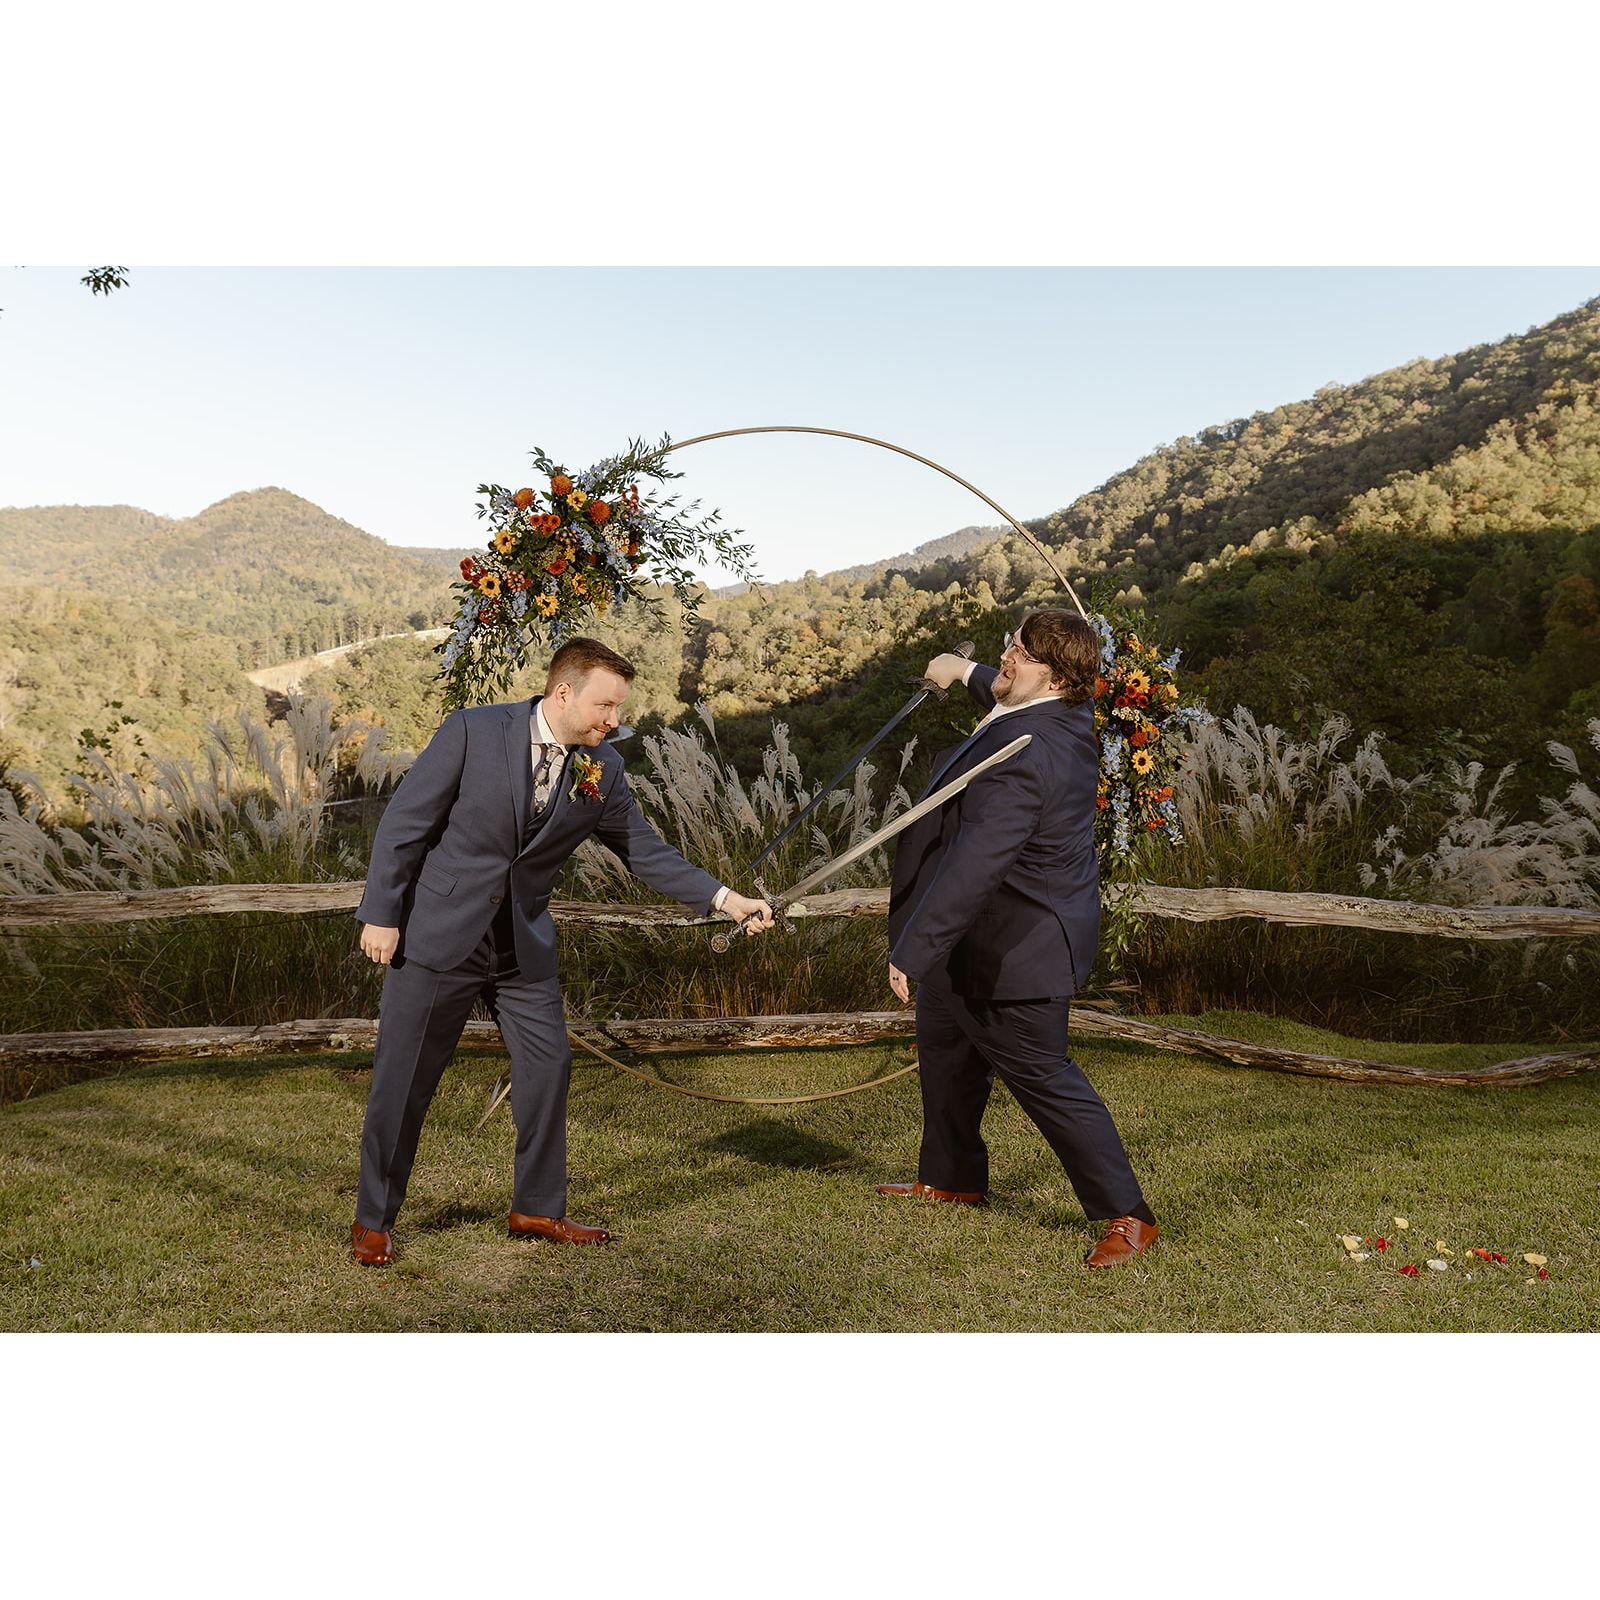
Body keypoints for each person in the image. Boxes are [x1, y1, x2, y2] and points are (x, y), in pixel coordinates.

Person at [349, 635, 773, 1266]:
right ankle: (373, 1221)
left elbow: (643, 850)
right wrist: (382, 914)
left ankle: (537, 1209)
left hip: (522, 946)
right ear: (563, 693)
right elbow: (404, 825)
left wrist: (726, 900)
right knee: (405, 1080)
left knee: (548, 1067)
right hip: (437, 935)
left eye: (619, 707)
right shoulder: (472, 731)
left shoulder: (605, 768)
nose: (614, 719)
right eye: (605, 705)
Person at [880, 609, 1159, 1268]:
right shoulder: (1052, 709)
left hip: (1017, 947)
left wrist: (914, 948)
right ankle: (951, 1177)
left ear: (1056, 678)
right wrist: (961, 670)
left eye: (1021, 652)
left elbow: (975, 864)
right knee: (947, 1060)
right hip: (973, 940)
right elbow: (1006, 688)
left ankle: (1129, 1215)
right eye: (1009, 643)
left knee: (1046, 1080)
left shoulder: (1031, 754)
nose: (1006, 656)